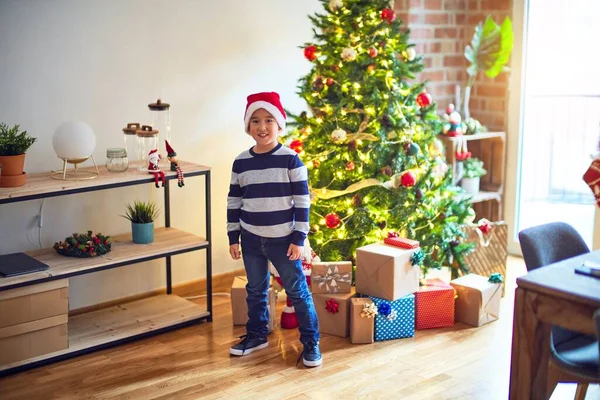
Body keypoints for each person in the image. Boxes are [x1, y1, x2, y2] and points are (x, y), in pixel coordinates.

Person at [227, 91, 321, 367]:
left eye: (269, 120)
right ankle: (257, 335)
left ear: (279, 125)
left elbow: (303, 201)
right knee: (255, 289)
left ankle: (311, 343)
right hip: (251, 238)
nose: (262, 126)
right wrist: (234, 236)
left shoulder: (291, 160)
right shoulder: (241, 161)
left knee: (298, 292)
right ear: (248, 127)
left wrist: (299, 238)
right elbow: (234, 201)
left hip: (284, 240)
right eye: (255, 121)